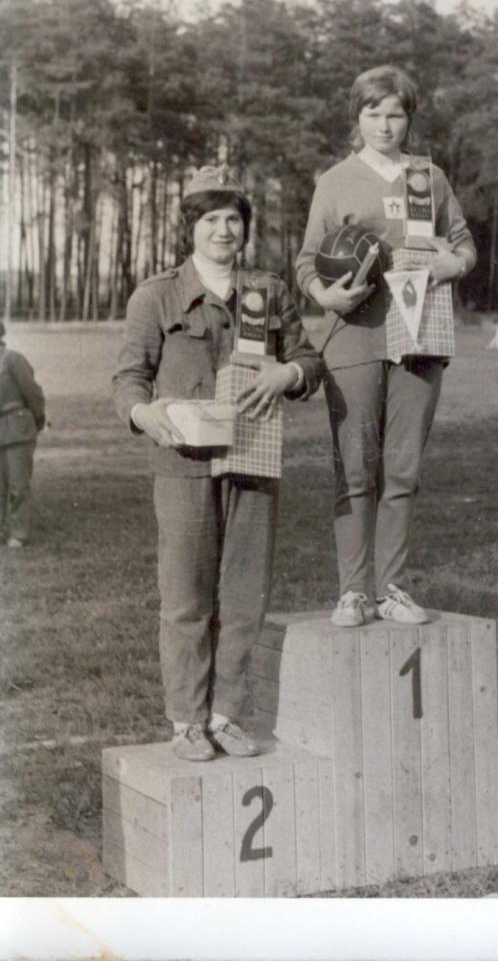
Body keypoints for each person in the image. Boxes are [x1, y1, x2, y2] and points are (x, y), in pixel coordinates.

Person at [113, 165, 323, 762]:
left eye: (233, 218)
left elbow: (309, 360)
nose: (223, 230)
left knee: (244, 596)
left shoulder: (267, 291)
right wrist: (143, 414)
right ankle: (186, 721)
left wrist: (288, 373)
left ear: (245, 227)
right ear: (191, 227)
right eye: (210, 219)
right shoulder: (156, 295)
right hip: (183, 463)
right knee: (186, 597)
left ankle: (227, 716)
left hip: (253, 460)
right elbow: (128, 378)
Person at [296, 65, 476, 629]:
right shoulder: (335, 181)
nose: (384, 125)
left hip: (421, 334)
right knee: (355, 469)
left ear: (409, 118)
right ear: (357, 116)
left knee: (401, 470)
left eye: (395, 113)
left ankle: (391, 588)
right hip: (354, 337)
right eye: (373, 113)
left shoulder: (430, 177)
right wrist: (326, 294)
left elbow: (464, 245)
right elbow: (306, 262)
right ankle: (353, 592)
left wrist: (453, 265)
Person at [0, 321, 46, 549]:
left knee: (18, 484)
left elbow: (33, 393)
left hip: (17, 429)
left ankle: (18, 533)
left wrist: (37, 420)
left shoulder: (13, 360)